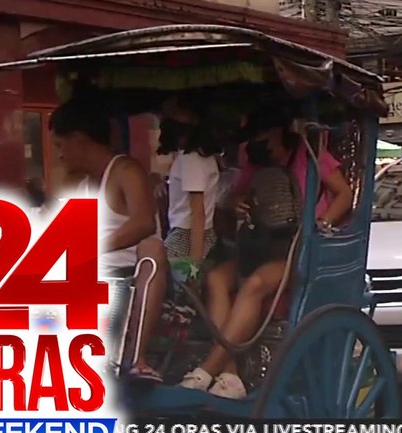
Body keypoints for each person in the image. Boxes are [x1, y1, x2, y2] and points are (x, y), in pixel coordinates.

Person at [180, 107, 353, 398]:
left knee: (256, 283)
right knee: (217, 279)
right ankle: (229, 375)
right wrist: (236, 203)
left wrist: (320, 225)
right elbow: (234, 195)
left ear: (276, 132)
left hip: (301, 250)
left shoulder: (310, 155)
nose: (257, 144)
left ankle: (206, 370)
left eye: (262, 137)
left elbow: (344, 194)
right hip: (262, 246)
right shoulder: (254, 159)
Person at [49, 96, 168, 381]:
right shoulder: (80, 185)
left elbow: (143, 223)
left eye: (60, 145)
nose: (59, 155)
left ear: (79, 140)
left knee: (152, 249)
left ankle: (137, 358)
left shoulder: (126, 171)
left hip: (129, 278)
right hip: (88, 282)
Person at [159, 100, 223, 268]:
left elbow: (198, 212)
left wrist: (194, 263)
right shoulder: (203, 157)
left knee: (178, 281)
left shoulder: (191, 160)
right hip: (197, 234)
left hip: (187, 236)